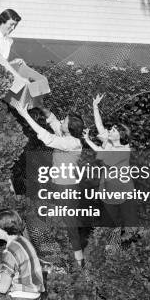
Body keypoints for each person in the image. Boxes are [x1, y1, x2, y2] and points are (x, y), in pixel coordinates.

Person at [13, 103, 86, 266]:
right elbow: (52, 119)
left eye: (64, 120)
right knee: (55, 220)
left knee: (70, 226)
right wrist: (37, 103)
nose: (61, 120)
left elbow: (47, 137)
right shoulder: (66, 137)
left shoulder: (71, 143)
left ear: (70, 128)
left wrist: (24, 114)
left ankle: (79, 264)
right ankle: (57, 257)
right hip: (59, 187)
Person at [83, 93, 138, 226]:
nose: (109, 130)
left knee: (128, 222)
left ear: (121, 135)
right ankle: (110, 243)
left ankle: (129, 241)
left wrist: (88, 140)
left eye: (113, 130)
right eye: (111, 129)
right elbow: (99, 125)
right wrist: (95, 106)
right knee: (109, 222)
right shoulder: (109, 142)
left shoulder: (124, 149)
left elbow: (104, 155)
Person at [0, 9, 50, 110]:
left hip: (2, 78)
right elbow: (0, 61)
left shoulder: (8, 40)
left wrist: (14, 62)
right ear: (2, 21)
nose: (13, 28)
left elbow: (3, 62)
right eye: (11, 24)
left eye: (15, 25)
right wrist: (19, 78)